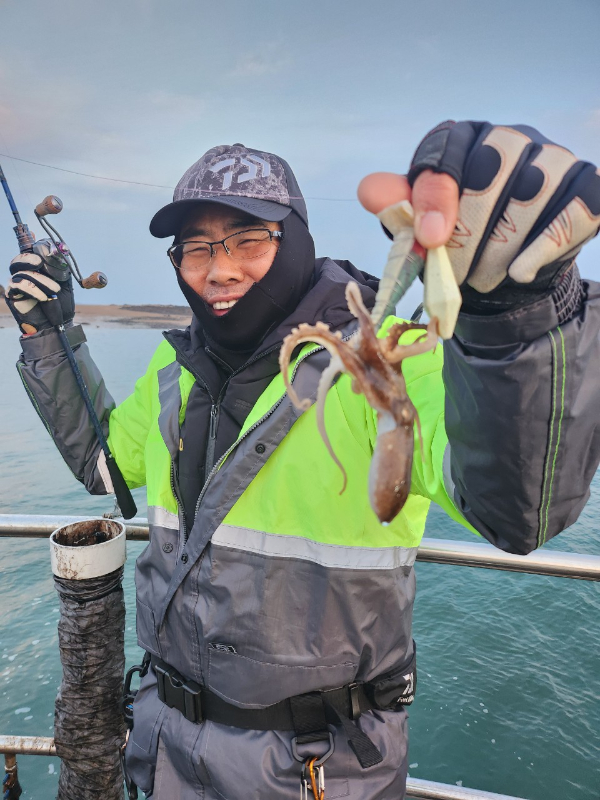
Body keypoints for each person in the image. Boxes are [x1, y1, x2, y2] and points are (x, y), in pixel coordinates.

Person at [6, 122, 600, 799]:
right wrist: (49, 335)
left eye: (248, 240)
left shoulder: (388, 360)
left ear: (295, 242)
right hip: (165, 747)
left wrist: (516, 319)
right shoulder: (173, 369)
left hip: (317, 769)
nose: (219, 270)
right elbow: (102, 464)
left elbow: (516, 509)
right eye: (196, 248)